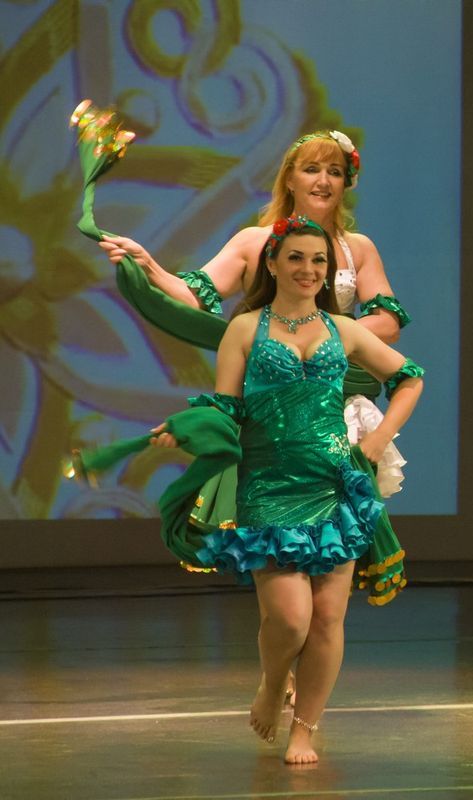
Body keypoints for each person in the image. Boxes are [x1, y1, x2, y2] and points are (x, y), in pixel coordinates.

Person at [150, 216, 424, 764]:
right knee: (291, 619)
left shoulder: (343, 330)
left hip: (335, 485)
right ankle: (274, 682)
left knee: (327, 620)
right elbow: (225, 409)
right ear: (272, 264)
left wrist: (377, 441)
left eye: (319, 260)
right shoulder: (244, 329)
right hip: (269, 486)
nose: (308, 269)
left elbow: (409, 376)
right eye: (296, 257)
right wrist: (188, 429)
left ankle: (305, 729)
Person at [99, 129, 410, 495]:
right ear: (290, 179)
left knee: (343, 516)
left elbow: (388, 324)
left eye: (335, 172)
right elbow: (195, 296)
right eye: (312, 169)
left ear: (345, 184)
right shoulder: (254, 243)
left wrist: (316, 335)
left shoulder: (358, 249)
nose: (324, 181)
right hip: (270, 404)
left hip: (337, 405)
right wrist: (149, 265)